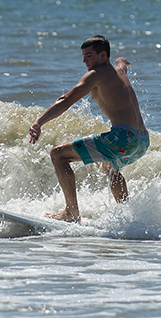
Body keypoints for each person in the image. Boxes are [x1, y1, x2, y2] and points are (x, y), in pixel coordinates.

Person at [29, 35, 150, 222]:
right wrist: (122, 61)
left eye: (88, 55)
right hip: (141, 140)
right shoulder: (118, 71)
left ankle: (71, 213)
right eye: (83, 56)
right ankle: (128, 217)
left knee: (58, 155)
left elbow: (66, 100)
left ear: (102, 55)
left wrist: (39, 122)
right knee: (110, 169)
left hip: (123, 138)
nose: (84, 60)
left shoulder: (96, 74)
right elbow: (122, 65)